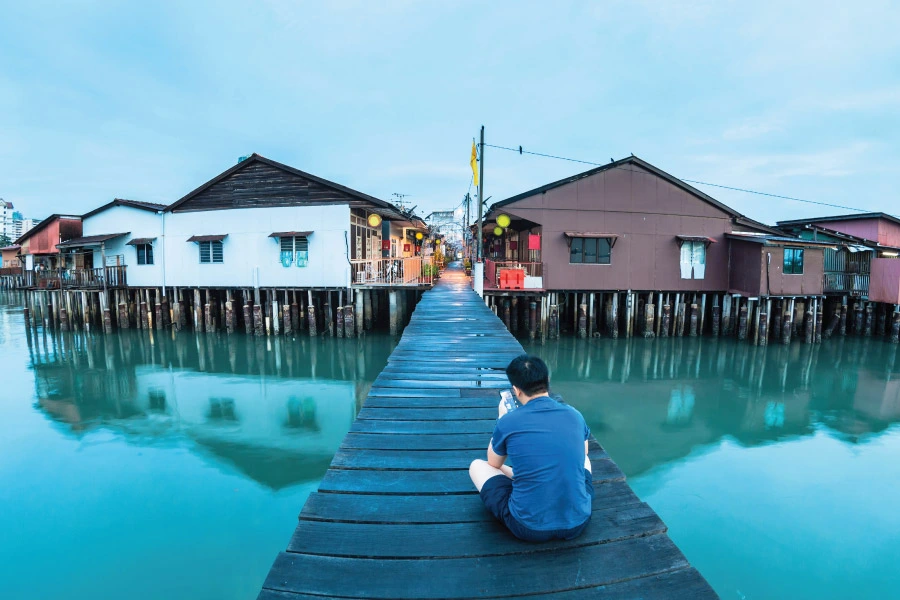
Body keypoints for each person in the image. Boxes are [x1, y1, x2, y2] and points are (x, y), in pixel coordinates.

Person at [469, 354, 593, 542]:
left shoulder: (509, 421)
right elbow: (583, 452)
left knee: (478, 465)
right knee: (584, 459)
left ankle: (525, 479)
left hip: (528, 526)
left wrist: (501, 418)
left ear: (516, 390)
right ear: (548, 381)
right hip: (577, 522)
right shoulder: (575, 415)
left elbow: (493, 463)